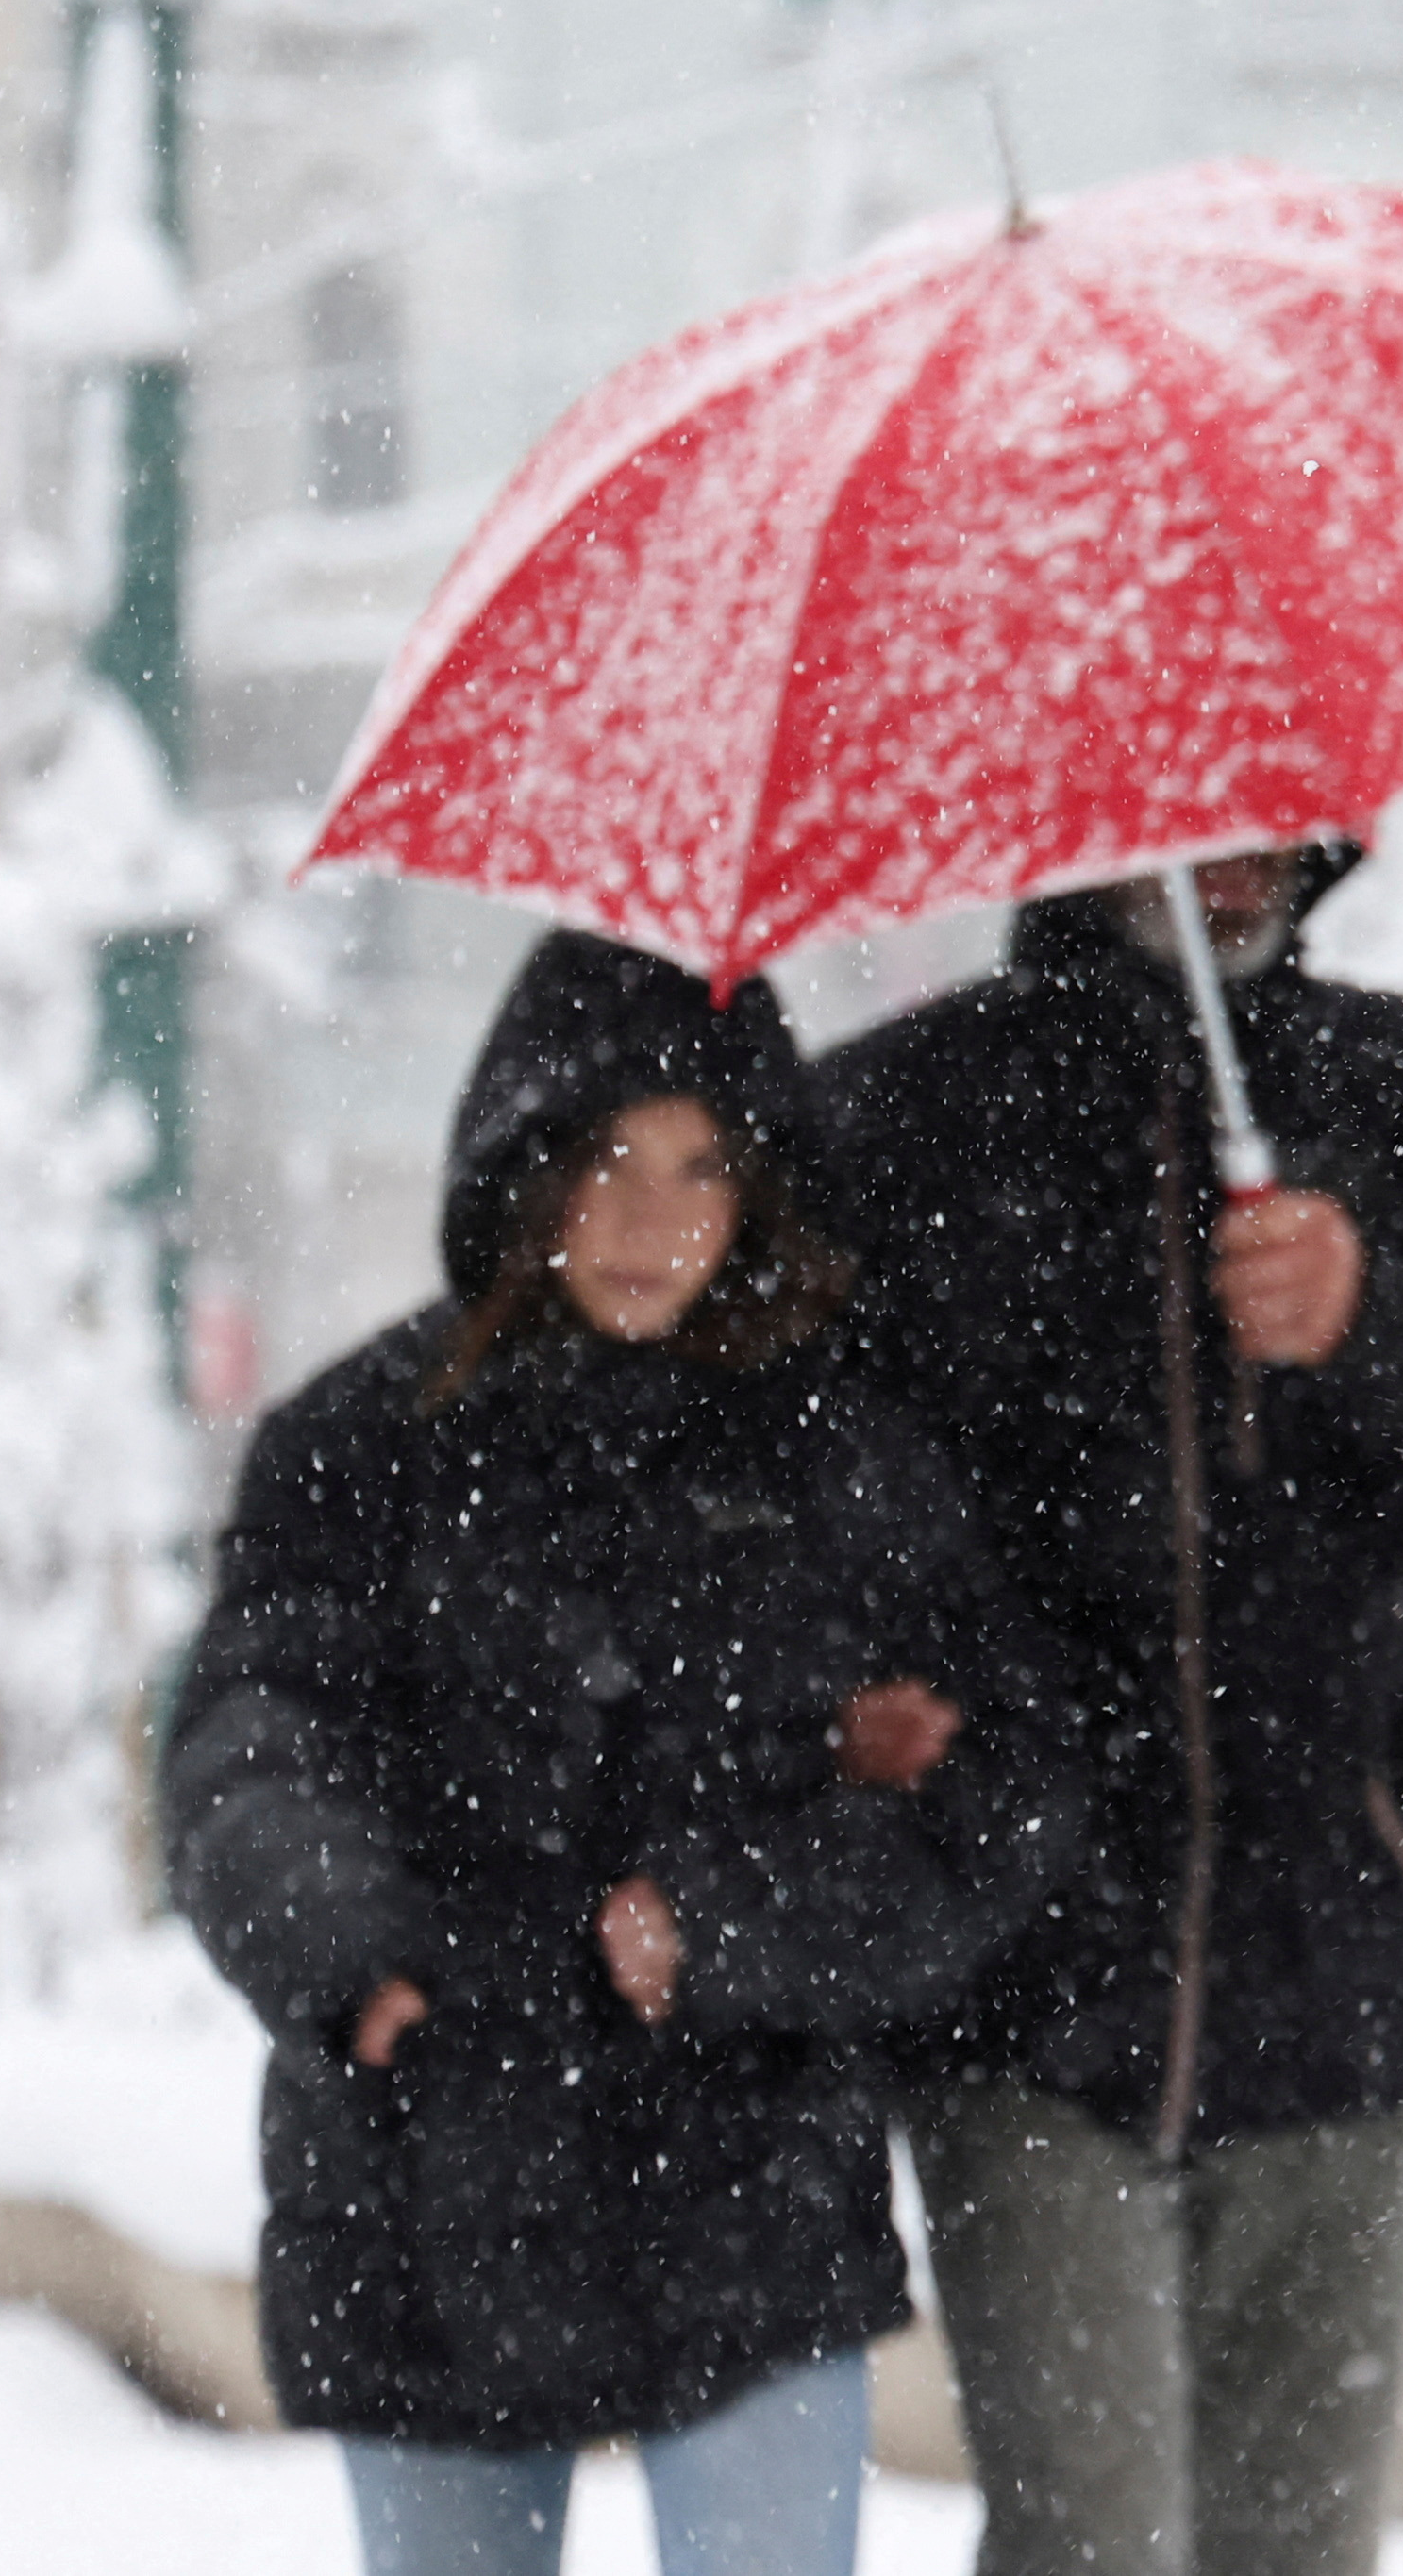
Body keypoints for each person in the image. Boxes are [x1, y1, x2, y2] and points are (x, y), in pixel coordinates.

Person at [166, 931, 1076, 2576]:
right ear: (522, 1166)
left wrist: (731, 1919)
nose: (653, 1221)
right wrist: (345, 1952)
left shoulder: (846, 1463)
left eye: (702, 1167)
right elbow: (250, 1741)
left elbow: (1001, 1795)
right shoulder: (363, 1445)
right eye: (604, 1160)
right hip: (426, 2152)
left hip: (747, 2185)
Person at [813, 847, 1403, 2576]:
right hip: (1030, 1976)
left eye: (1279, 775)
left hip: (1354, 1963)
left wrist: (1379, 1329)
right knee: (1090, 2544)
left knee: (1297, 2549)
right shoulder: (898, 1120)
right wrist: (852, 1706)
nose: (1236, 830)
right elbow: (794, 1504)